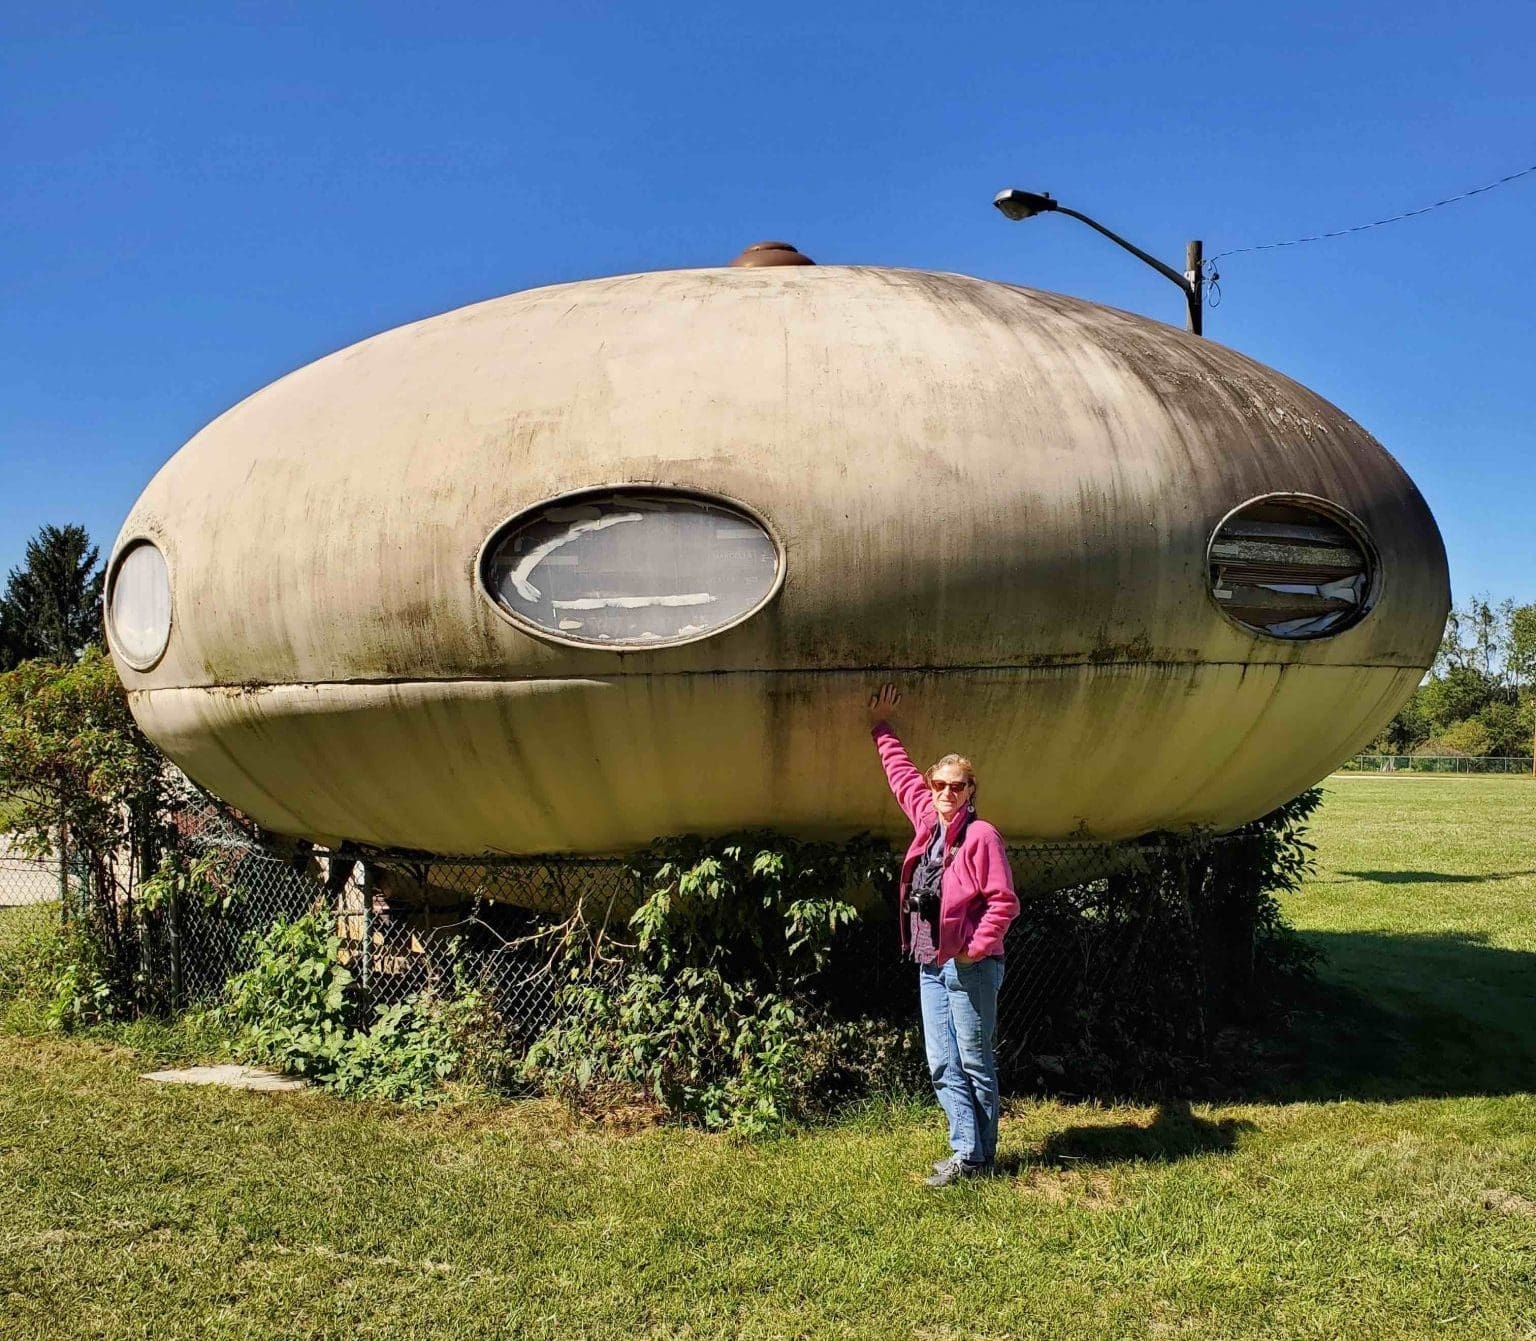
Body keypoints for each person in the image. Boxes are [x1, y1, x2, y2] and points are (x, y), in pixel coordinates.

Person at [866, 682, 1019, 1186]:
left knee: (974, 1060)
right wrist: (881, 727)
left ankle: (978, 1158)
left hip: (970, 967)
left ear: (971, 790)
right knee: (941, 1061)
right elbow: (900, 775)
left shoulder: (981, 836)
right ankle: (967, 1152)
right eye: (940, 785)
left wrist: (975, 951)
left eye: (957, 786)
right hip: (931, 962)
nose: (946, 793)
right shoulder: (927, 822)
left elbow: (1003, 901)